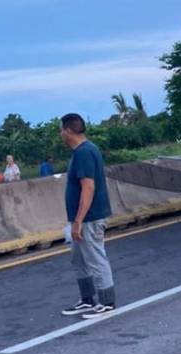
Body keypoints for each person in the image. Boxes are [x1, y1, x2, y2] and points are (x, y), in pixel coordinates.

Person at [59, 113, 116, 319]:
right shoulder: (80, 152)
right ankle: (87, 299)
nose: (61, 134)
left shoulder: (84, 152)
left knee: (95, 258)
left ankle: (107, 301)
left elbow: (88, 187)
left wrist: (79, 220)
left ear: (68, 130)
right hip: (80, 218)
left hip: (89, 218)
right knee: (79, 259)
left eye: (61, 130)